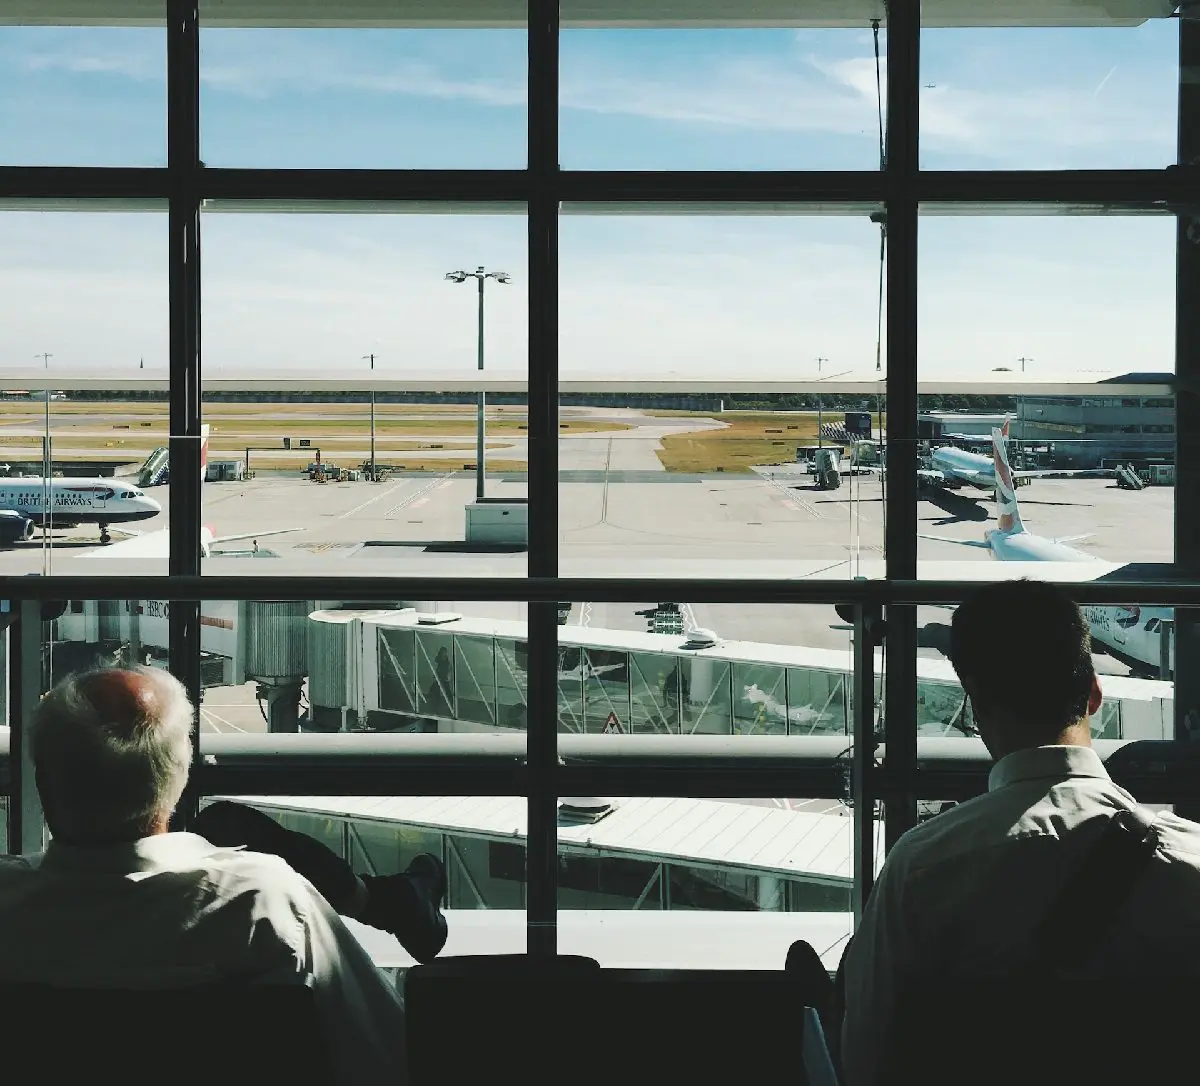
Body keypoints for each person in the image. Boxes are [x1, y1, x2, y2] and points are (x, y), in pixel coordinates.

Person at [0, 666, 448, 1085]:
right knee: (223, 823)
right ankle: (392, 900)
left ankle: (392, 901)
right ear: (179, 775)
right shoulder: (260, 900)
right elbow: (387, 1054)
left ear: (43, 783)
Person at [838, 579, 1200, 1086]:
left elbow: (868, 1063)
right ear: (1094, 694)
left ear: (978, 712)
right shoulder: (1189, 861)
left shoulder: (921, 868)